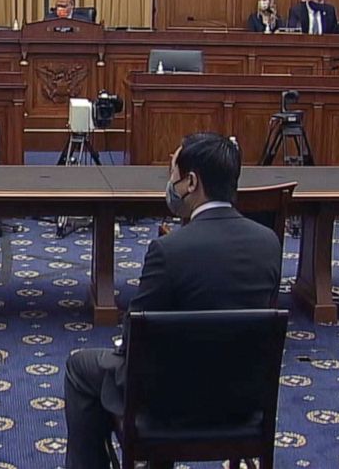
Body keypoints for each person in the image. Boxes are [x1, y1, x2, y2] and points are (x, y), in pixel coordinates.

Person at [63, 132, 282, 469]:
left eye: (172, 174)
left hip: (169, 406)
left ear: (191, 182)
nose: (170, 183)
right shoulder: (269, 243)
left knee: (81, 367)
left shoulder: (169, 250)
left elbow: (136, 335)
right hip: (242, 401)